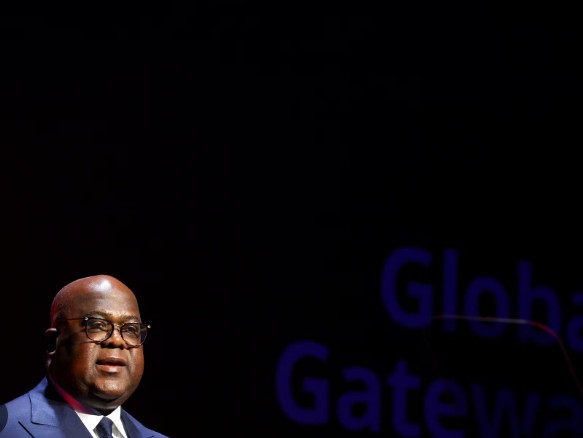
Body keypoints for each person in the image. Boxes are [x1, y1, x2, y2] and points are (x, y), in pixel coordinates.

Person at [0, 274, 169, 437]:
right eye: (97, 325)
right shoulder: (6, 429)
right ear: (53, 342)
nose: (117, 340)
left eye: (131, 329)